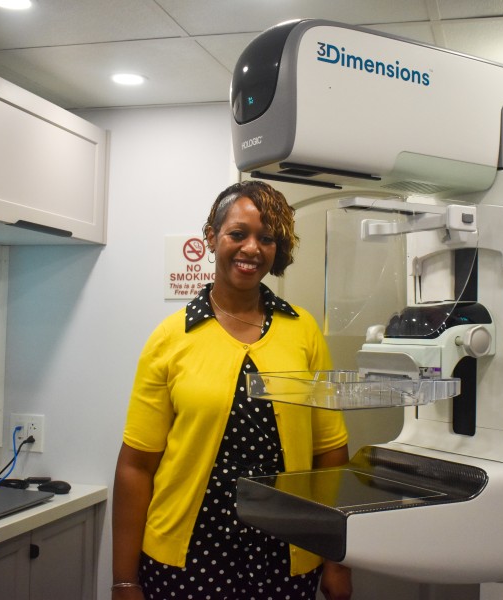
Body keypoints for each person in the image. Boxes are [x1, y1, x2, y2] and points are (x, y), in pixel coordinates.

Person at [112, 180, 353, 600]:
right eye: (238, 234)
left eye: (266, 238)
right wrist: (124, 579)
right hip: (186, 559)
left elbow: (330, 454)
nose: (252, 249)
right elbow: (136, 466)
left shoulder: (303, 331)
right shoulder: (171, 338)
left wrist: (337, 559)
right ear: (211, 237)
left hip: (287, 553)